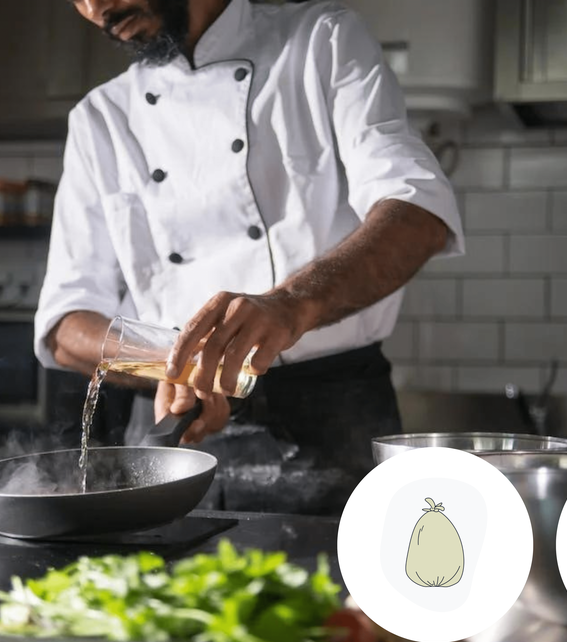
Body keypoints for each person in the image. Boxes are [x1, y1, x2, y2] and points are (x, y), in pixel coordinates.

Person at [34, 0, 465, 515]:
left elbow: (418, 212)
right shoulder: (101, 118)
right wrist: (178, 365)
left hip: (330, 426)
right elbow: (65, 325)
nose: (96, 6)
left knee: (334, 595)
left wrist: (290, 305)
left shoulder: (319, 43)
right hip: (172, 434)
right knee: (156, 593)